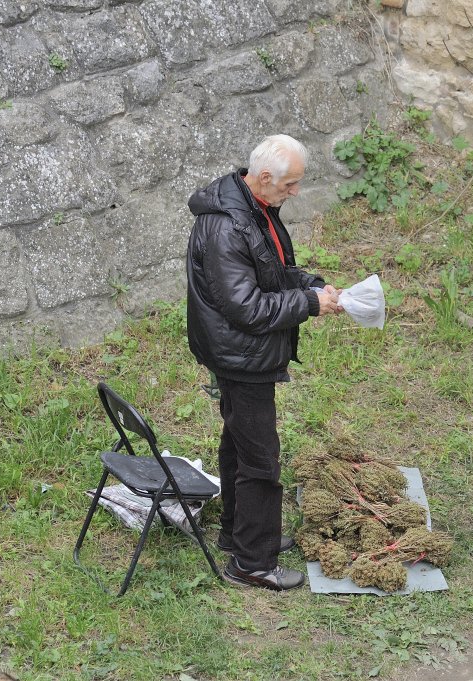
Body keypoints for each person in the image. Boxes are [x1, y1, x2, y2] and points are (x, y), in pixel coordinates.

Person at [185, 134, 343, 591]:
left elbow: (269, 271)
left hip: (239, 350)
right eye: (290, 185)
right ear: (265, 176)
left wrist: (311, 284)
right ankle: (252, 562)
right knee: (260, 459)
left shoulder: (255, 206)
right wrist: (309, 304)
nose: (295, 192)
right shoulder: (226, 227)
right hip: (239, 354)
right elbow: (248, 308)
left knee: (239, 443)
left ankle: (237, 533)